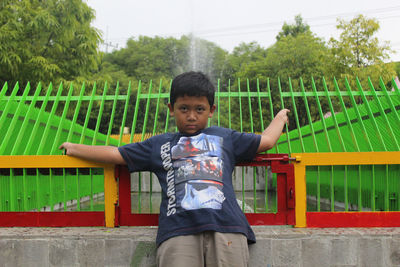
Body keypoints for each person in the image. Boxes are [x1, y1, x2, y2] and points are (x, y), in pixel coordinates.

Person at [59, 71, 289, 267]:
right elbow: (115, 154)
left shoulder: (225, 137)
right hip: (178, 231)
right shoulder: (158, 144)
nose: (191, 116)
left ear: (211, 110)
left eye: (199, 109)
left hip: (227, 227)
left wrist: (280, 117)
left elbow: (266, 141)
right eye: (184, 108)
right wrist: (73, 148)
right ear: (171, 108)